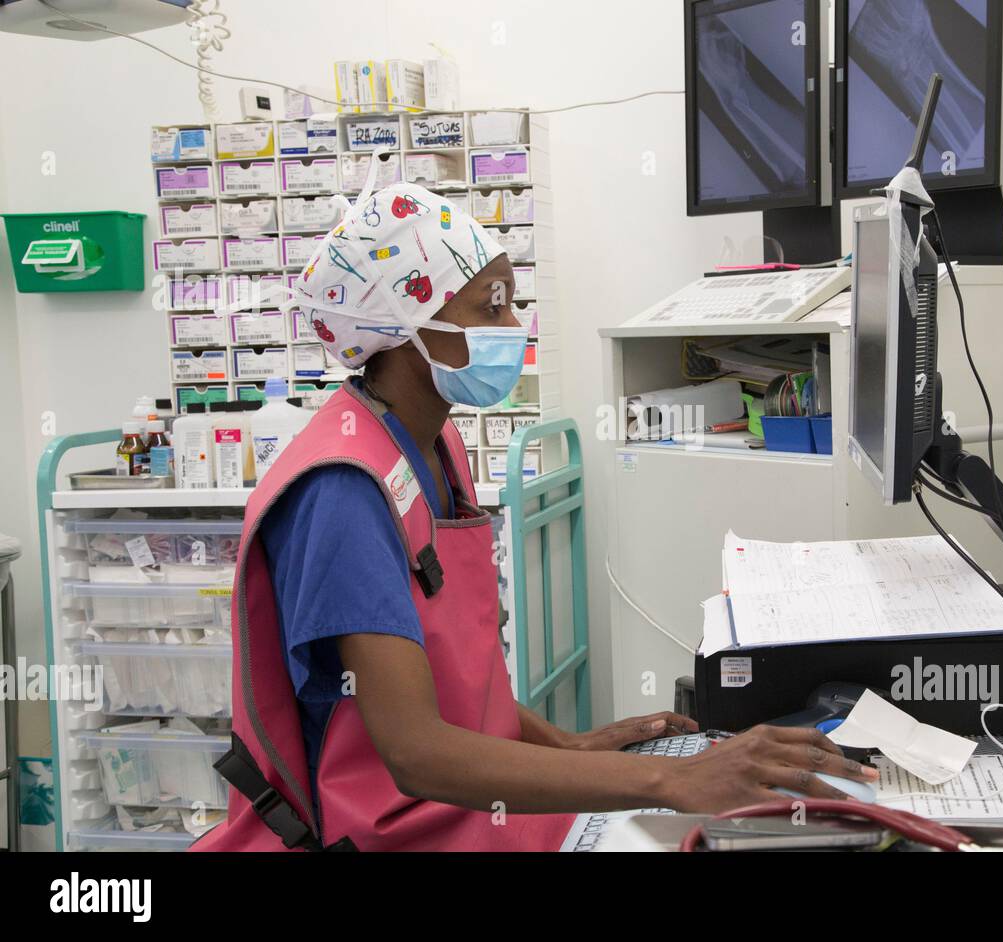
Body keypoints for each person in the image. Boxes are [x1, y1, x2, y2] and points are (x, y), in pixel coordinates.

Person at [194, 178, 877, 852]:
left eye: (511, 305)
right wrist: (671, 781)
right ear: (405, 324)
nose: (512, 329)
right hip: (396, 833)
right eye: (490, 309)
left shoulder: (435, 446)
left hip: (472, 818)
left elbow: (453, 678)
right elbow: (416, 752)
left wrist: (566, 743)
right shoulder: (343, 490)